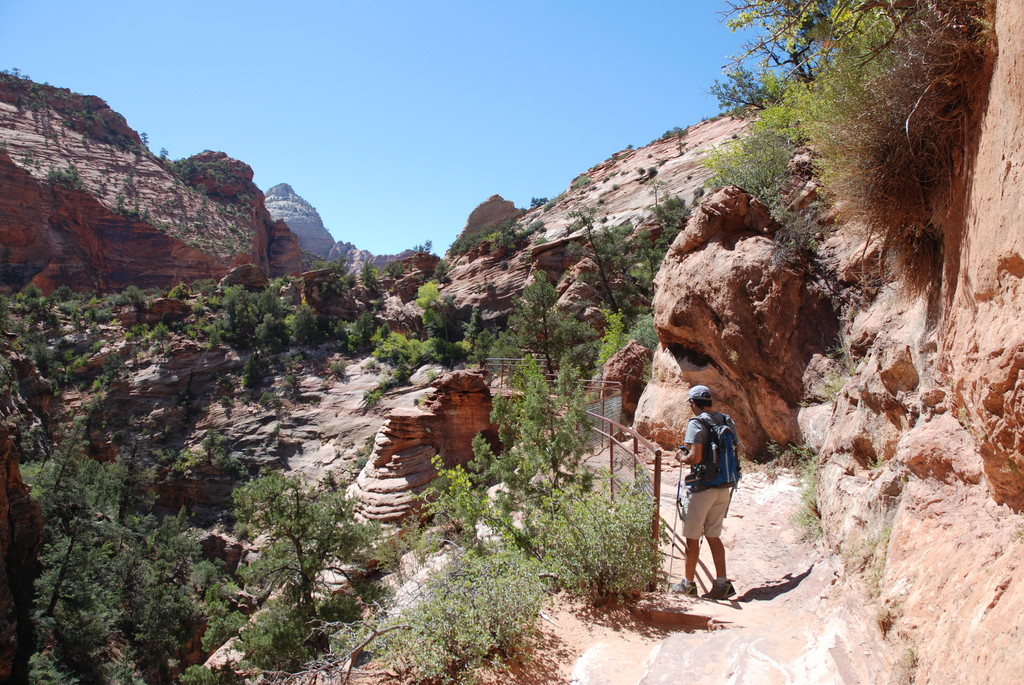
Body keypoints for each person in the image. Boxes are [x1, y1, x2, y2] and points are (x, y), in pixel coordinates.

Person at [670, 384, 738, 600]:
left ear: (693, 403)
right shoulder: (726, 420)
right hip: (724, 485)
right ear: (708, 401)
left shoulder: (696, 423)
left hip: (702, 487)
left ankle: (688, 584)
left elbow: (696, 457)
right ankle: (722, 584)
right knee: (713, 535)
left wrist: (682, 457)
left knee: (692, 537)